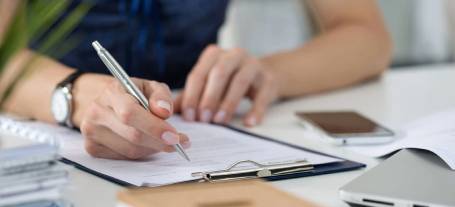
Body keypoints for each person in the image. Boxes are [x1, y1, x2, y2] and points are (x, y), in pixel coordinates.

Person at [0, 0, 392, 160]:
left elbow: (367, 37)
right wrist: (76, 97)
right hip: (44, 143)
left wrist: (270, 74)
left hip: (197, 129)